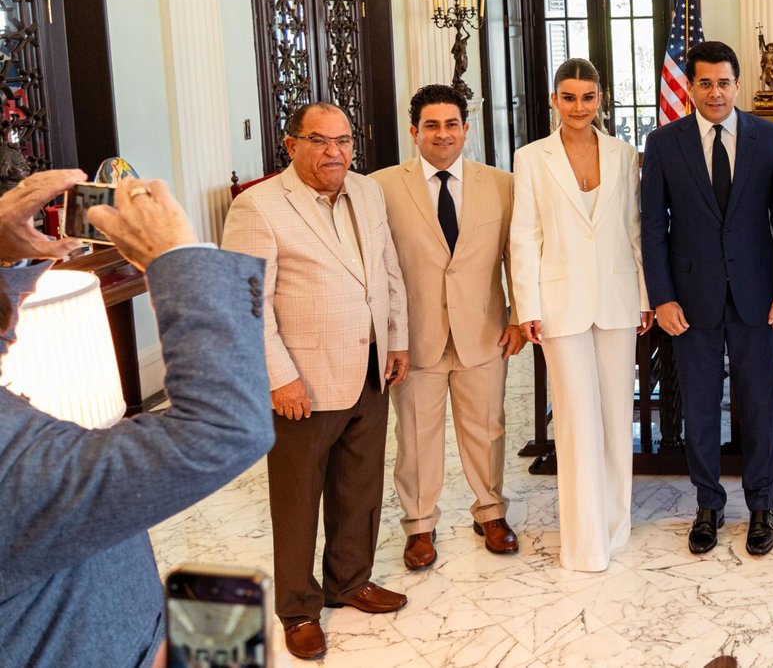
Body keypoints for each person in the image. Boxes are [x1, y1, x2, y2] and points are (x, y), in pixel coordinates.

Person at [0, 171, 274, 668]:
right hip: (113, 650)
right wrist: (176, 258)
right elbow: (225, 429)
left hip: (143, 621)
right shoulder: (11, 463)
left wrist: (6, 257)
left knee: (230, 613)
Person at [222, 102, 411, 661]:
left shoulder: (367, 192)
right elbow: (245, 305)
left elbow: (387, 270)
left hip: (370, 367)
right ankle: (299, 609)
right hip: (303, 381)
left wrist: (396, 338)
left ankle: (350, 581)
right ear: (292, 145)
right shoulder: (257, 206)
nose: (335, 152)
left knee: (360, 486)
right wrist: (279, 378)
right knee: (298, 498)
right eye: (320, 141)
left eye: (343, 141)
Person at [641, 41, 773, 556]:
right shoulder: (663, 143)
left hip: (758, 296)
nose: (716, 93)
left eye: (724, 83)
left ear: (737, 84)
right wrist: (662, 298)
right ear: (690, 87)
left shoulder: (768, 138)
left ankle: (761, 505)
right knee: (700, 406)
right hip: (691, 300)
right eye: (705, 83)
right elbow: (653, 229)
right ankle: (708, 504)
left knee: (760, 405)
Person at [372, 85, 523, 572]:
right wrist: (388, 336)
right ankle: (419, 524)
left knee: (488, 429)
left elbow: (516, 255)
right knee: (416, 435)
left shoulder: (501, 184)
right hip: (415, 338)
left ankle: (491, 512)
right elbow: (377, 268)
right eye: (431, 126)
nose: (443, 134)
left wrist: (518, 316)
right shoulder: (381, 187)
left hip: (484, 331)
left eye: (451, 124)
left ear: (466, 128)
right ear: (413, 132)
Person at [509, 59, 652, 571]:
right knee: (575, 418)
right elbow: (524, 236)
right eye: (568, 97)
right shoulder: (531, 158)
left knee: (616, 414)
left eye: (587, 97)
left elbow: (634, 229)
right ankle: (584, 540)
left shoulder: (623, 154)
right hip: (558, 302)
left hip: (617, 297)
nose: (578, 107)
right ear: (554, 100)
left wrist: (644, 296)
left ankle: (614, 526)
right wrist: (526, 306)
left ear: (600, 99)